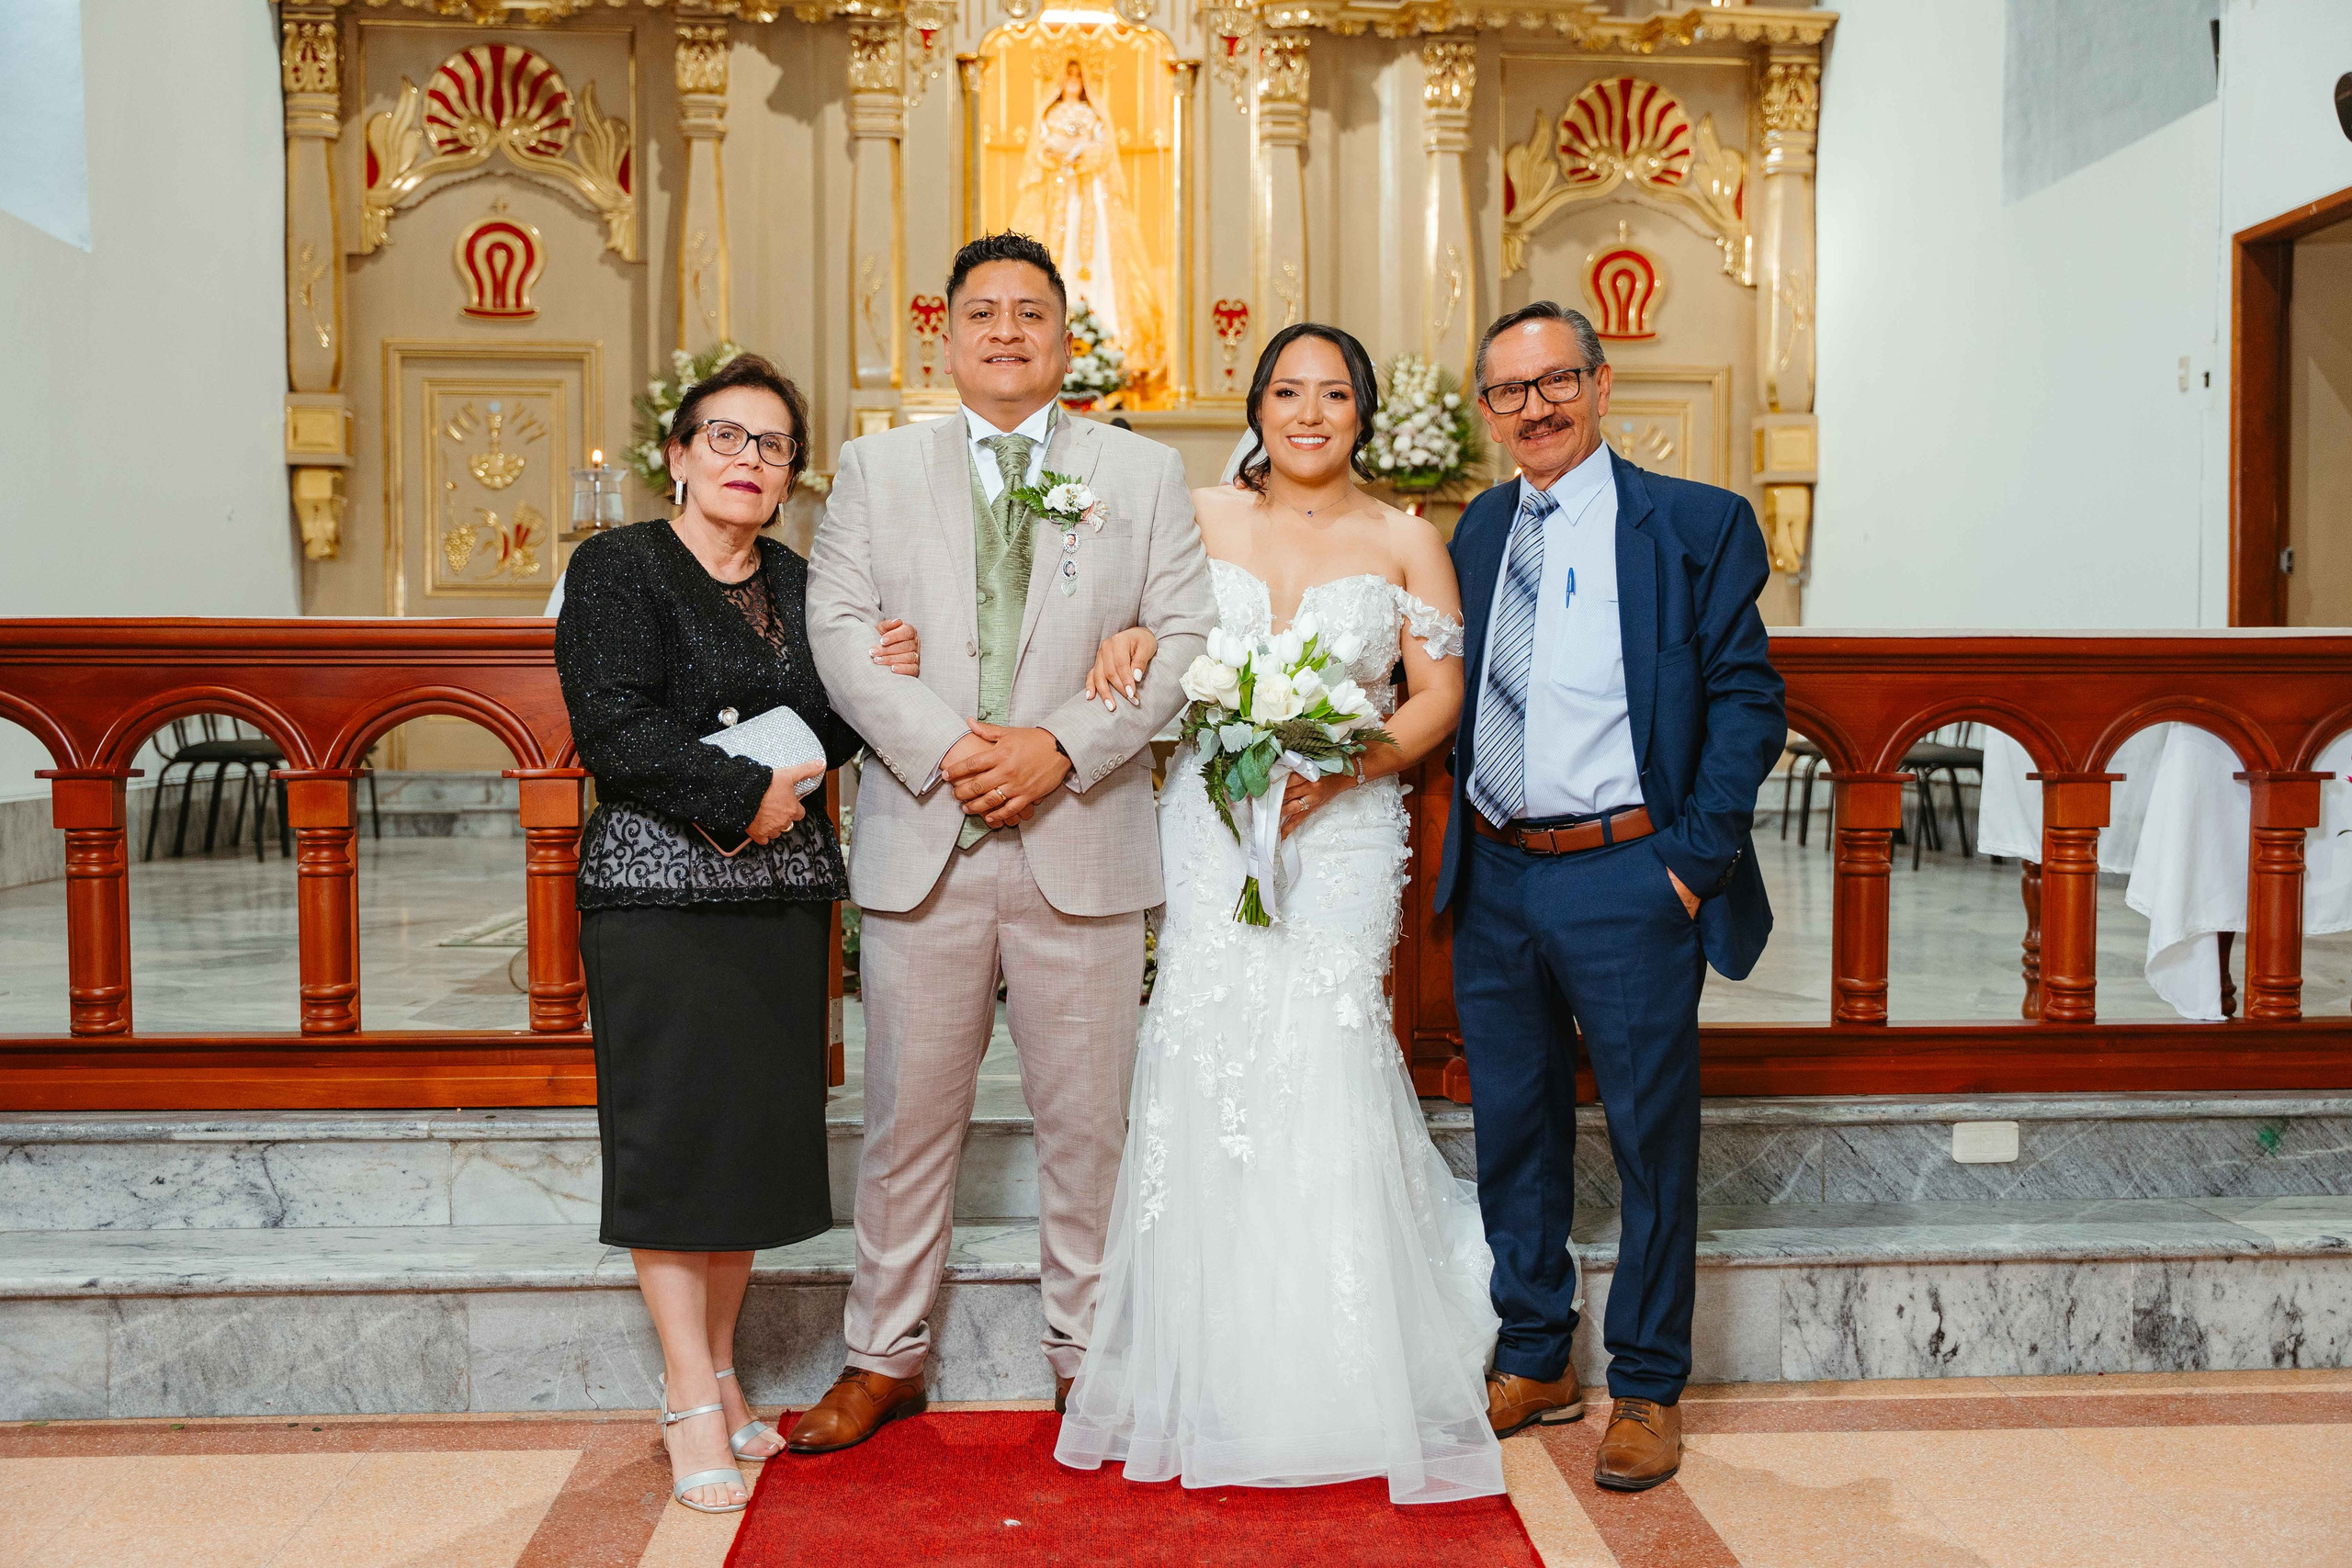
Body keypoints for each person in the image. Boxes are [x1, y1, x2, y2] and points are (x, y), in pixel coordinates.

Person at [1054, 322, 1500, 1504]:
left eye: (1336, 393)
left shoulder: (1408, 538)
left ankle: (1339, 1355)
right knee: (1211, 1034)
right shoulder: (1194, 516)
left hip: (1345, 826)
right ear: (1255, 405)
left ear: (1364, 412)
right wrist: (1139, 634)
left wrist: (1346, 767)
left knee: (1322, 1036)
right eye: (1289, 391)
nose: (1311, 412)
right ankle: (1215, 1346)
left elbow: (1437, 692)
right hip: (1211, 818)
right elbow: (1131, 631)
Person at [795, 232, 1217, 1451]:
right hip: (925, 831)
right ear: (946, 334)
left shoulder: (1138, 474)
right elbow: (836, 626)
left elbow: (1181, 636)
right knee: (904, 1117)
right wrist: (948, 747)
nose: (1007, 331)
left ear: (1065, 336)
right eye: (983, 311)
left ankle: (1088, 1354)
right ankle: (884, 1353)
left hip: (1077, 834)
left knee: (1088, 1122)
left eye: (1032, 312)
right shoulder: (877, 469)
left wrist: (1060, 747)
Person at [554, 353, 921, 1513]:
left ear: (791, 474)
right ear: (677, 451)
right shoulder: (616, 567)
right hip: (657, 892)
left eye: (771, 448)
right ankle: (686, 1397)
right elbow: (611, 723)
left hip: (778, 894)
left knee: (751, 1142)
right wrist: (738, 794)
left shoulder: (808, 587)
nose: (748, 463)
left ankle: (722, 1365)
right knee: (674, 1147)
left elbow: (826, 730)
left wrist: (875, 683)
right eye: (726, 438)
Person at [1434, 302, 1784, 1491]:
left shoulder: (1692, 523)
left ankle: (1646, 1379)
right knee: (1514, 1130)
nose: (1534, 407)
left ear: (1600, 380)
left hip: (1629, 875)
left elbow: (1747, 700)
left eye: (1555, 381)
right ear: (1487, 409)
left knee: (1648, 1137)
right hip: (1495, 873)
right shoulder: (1478, 528)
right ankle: (1535, 1352)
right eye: (1509, 391)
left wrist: (1686, 862)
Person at [1009, 59, 1165, 398]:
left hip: (1090, 194)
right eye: (1068, 78)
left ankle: (1110, 338)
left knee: (1101, 260)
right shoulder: (1050, 115)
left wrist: (1083, 153)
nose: (1073, 84)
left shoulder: (1092, 115)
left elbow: (1103, 149)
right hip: (1058, 195)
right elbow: (1042, 149)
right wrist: (1061, 155)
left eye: (1078, 78)